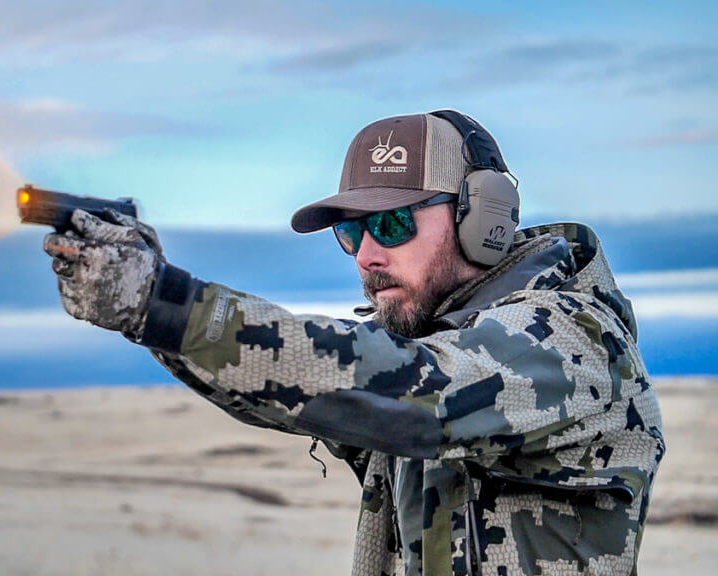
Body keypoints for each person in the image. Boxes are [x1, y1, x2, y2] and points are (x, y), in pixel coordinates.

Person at [43, 110, 665, 576]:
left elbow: (408, 389)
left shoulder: (570, 339)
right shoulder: (428, 341)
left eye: (392, 224)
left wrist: (164, 299)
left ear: (483, 219)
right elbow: (293, 389)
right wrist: (146, 316)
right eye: (351, 233)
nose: (366, 255)